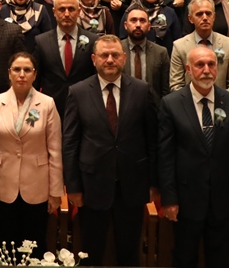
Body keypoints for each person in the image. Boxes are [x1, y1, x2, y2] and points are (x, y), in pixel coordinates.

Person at [62, 34, 158, 266]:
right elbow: (70, 143)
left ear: (124, 58)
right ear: (94, 59)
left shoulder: (142, 90)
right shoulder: (78, 92)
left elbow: (153, 140)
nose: (110, 60)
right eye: (104, 55)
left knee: (129, 254)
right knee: (91, 253)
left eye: (115, 55)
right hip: (92, 186)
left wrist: (154, 183)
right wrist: (73, 187)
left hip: (132, 187)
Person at [158, 44, 229, 268]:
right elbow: (165, 156)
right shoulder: (171, 104)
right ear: (188, 69)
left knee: (219, 260)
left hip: (222, 200)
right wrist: (169, 198)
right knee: (184, 258)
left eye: (211, 64)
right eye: (200, 65)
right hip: (185, 200)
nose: (206, 70)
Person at [0, 52, 62, 256]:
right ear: (9, 73)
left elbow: (55, 150)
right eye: (17, 69)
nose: (22, 74)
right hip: (2, 185)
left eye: (27, 70)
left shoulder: (47, 104)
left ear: (35, 74)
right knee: (7, 247)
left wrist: (55, 191)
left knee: (35, 247)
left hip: (37, 186)